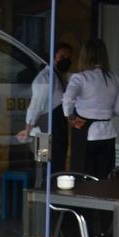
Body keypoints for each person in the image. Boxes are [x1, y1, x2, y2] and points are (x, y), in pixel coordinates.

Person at [61, 38, 119, 179]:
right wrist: (103, 113)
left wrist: (70, 117)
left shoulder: (80, 78)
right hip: (108, 133)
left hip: (85, 133)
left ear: (84, 55)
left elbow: (67, 99)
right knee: (104, 178)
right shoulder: (115, 79)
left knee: (82, 177)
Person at [17, 39, 75, 170]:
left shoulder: (59, 76)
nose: (65, 59)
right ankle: (43, 188)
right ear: (54, 56)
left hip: (58, 125)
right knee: (43, 161)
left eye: (68, 57)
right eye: (61, 56)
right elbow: (36, 104)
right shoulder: (45, 77)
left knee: (59, 159)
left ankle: (51, 185)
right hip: (45, 125)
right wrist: (27, 129)